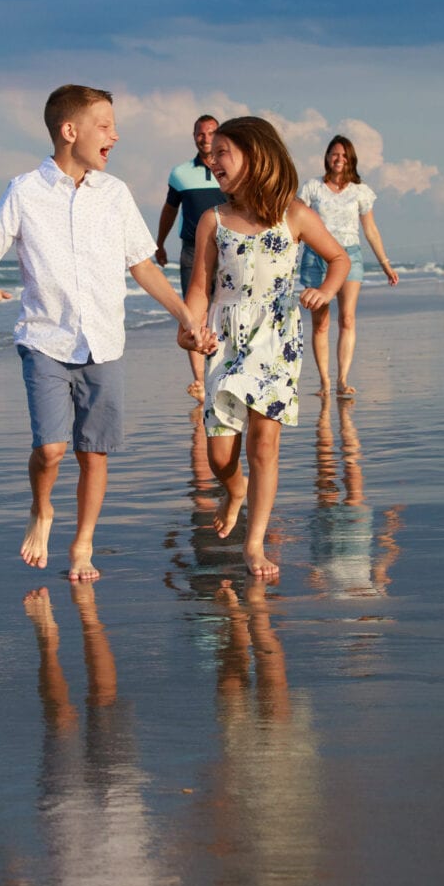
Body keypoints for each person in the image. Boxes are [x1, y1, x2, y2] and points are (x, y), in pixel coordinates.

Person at [0, 84, 214, 582]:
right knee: (53, 449)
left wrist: (186, 316)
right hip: (44, 340)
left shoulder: (115, 194)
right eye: (105, 126)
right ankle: (42, 508)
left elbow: (142, 266)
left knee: (93, 452)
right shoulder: (25, 191)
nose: (115, 136)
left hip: (104, 341)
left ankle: (82, 545)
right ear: (69, 131)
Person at [178, 117, 349, 580]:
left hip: (275, 337)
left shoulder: (293, 214)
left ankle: (254, 543)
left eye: (221, 153)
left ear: (253, 155)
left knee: (265, 441)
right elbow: (200, 287)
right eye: (209, 155)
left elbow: (339, 257)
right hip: (225, 336)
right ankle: (235, 490)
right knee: (219, 458)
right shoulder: (213, 221)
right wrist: (189, 324)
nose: (211, 162)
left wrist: (327, 292)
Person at [298, 134, 399, 397]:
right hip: (315, 257)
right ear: (327, 157)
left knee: (347, 318)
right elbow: (296, 225)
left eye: (344, 155)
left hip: (350, 256)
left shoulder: (360, 191)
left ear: (351, 159)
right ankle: (325, 381)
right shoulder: (311, 188)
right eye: (334, 154)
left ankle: (342, 378)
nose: (339, 159)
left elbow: (371, 231)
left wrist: (385, 264)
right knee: (320, 323)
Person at [155, 114, 222, 403]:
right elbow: (169, 210)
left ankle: (220, 369)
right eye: (200, 134)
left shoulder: (229, 168)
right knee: (192, 313)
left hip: (229, 248)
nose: (205, 138)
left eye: (210, 133)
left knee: (223, 308)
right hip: (192, 250)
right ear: (193, 136)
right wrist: (159, 243)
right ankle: (199, 380)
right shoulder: (181, 173)